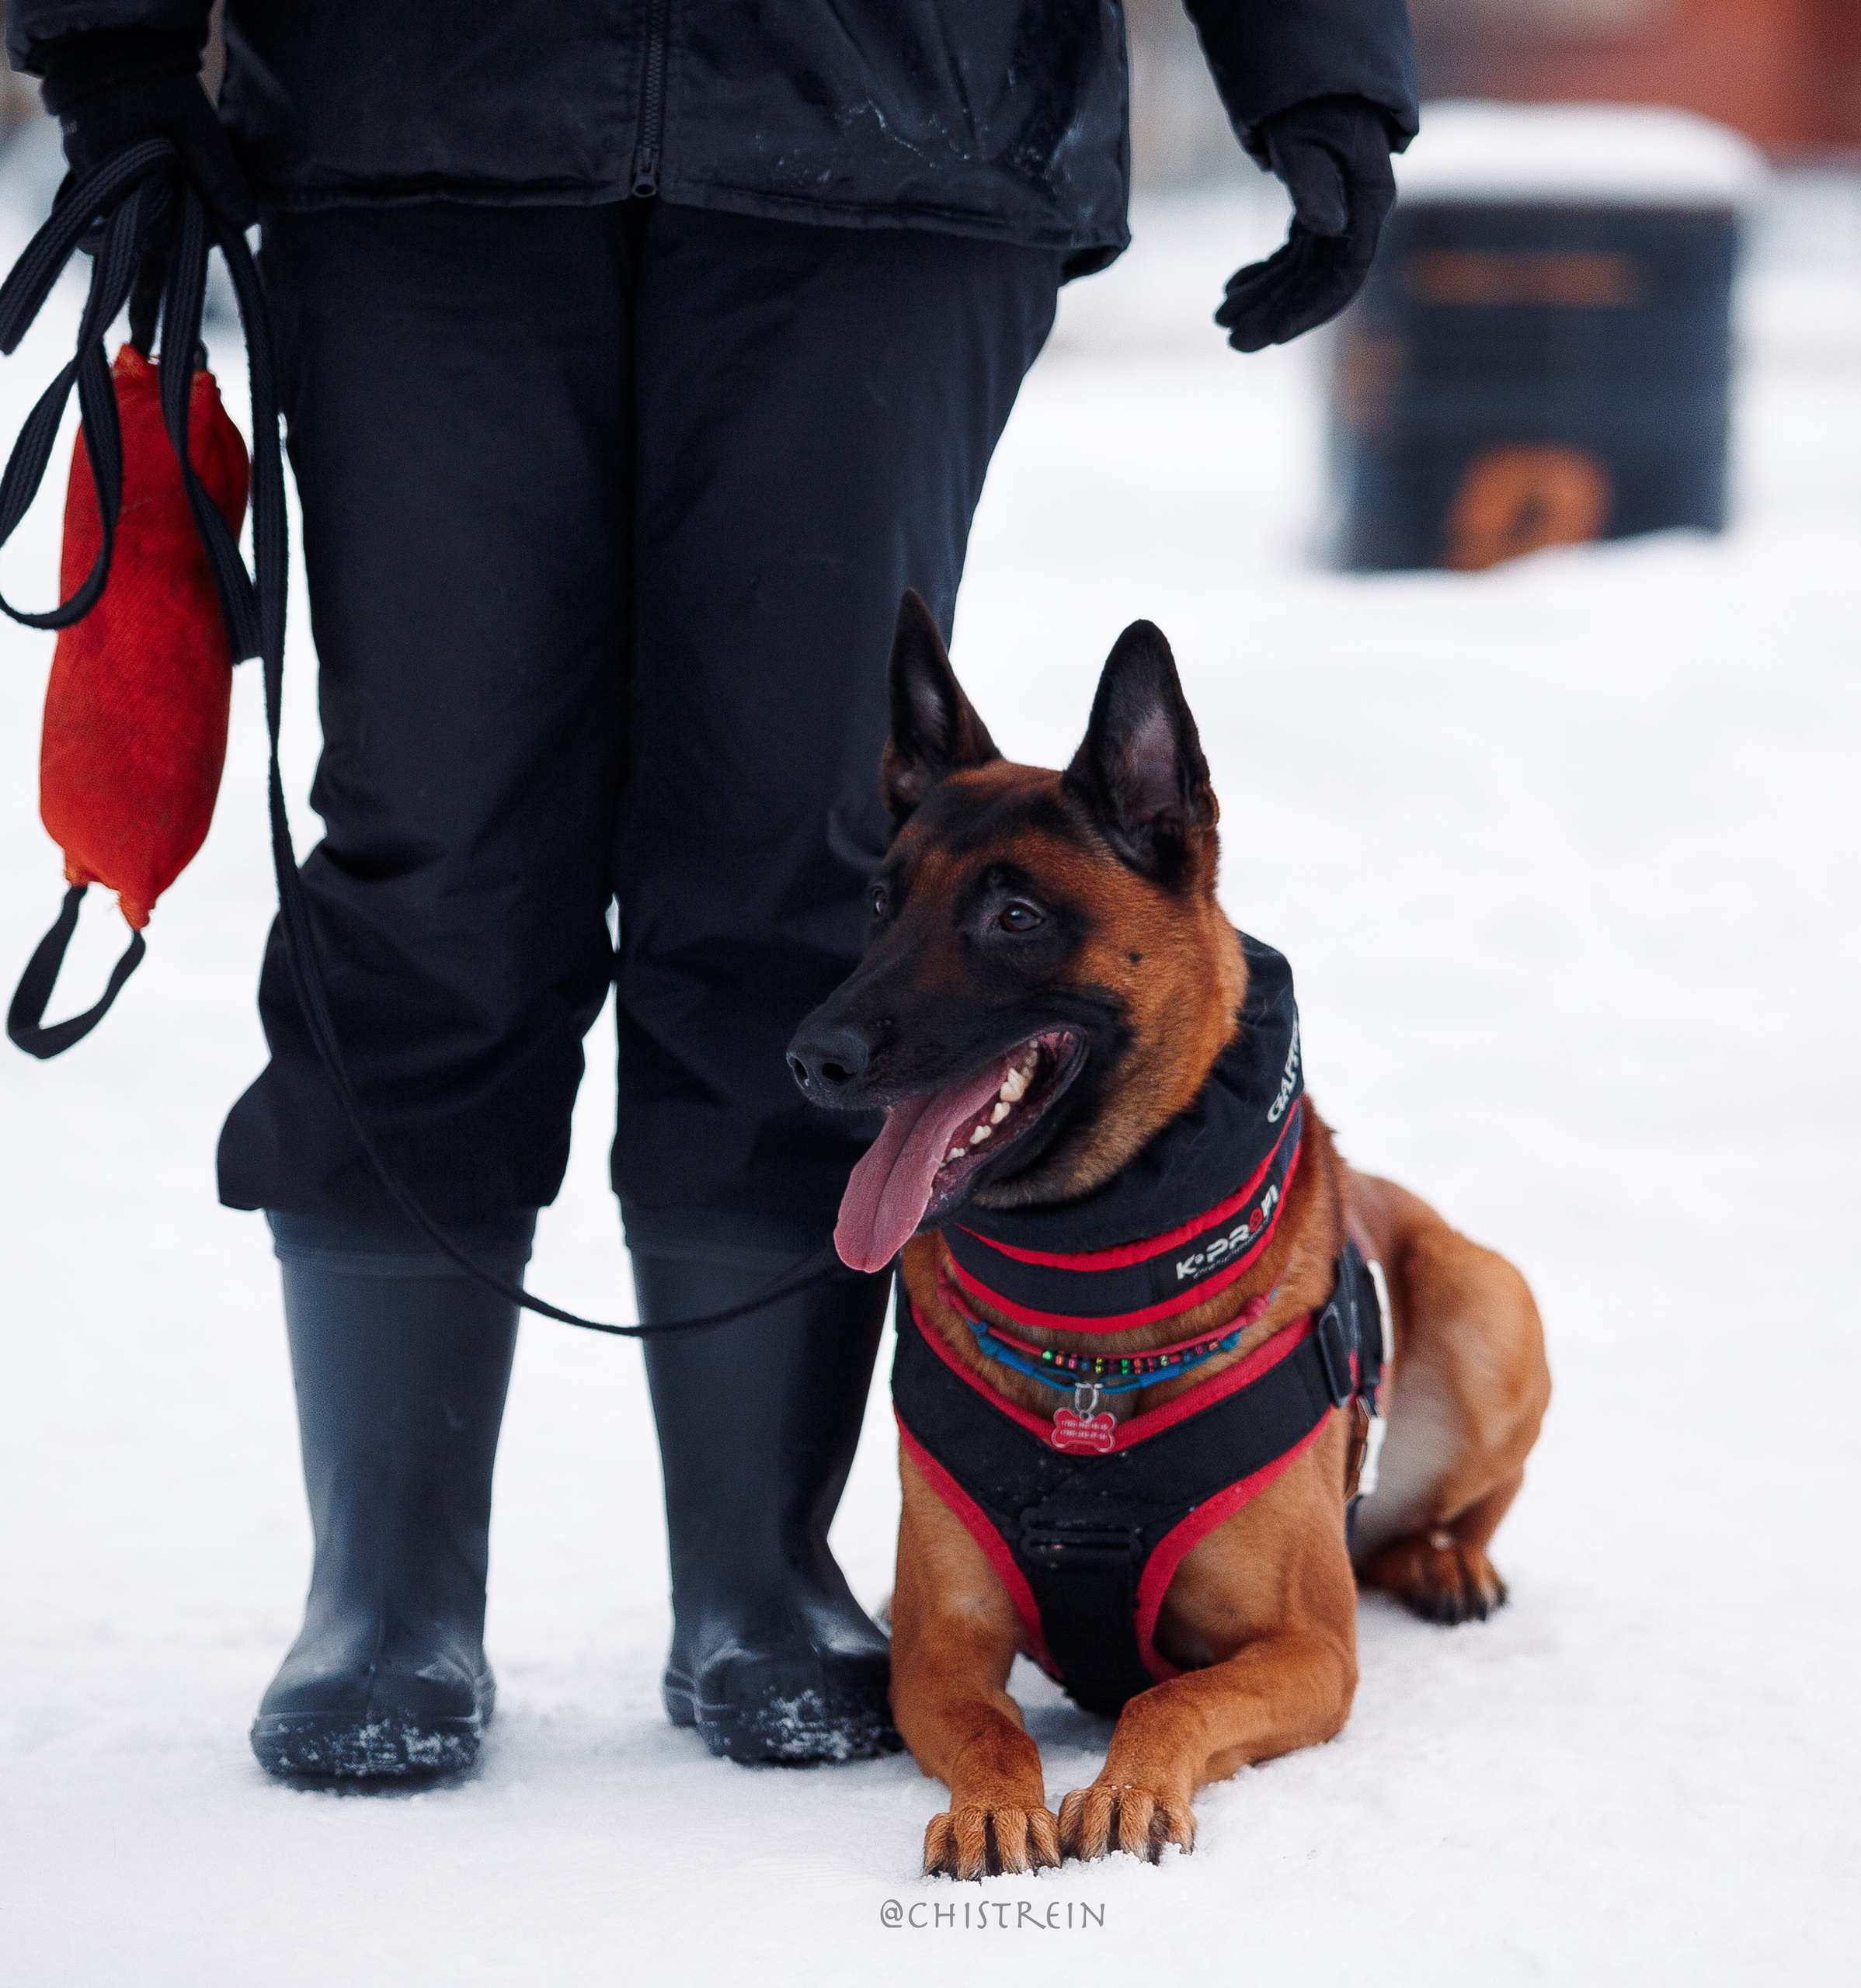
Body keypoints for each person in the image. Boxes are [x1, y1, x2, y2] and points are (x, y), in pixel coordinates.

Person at [7, 2, 1417, 1778]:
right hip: (414, 116)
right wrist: (114, 42)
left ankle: (756, 1575)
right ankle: (385, 1591)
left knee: (815, 875)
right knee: (429, 845)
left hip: (901, 112)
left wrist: (1318, 64)